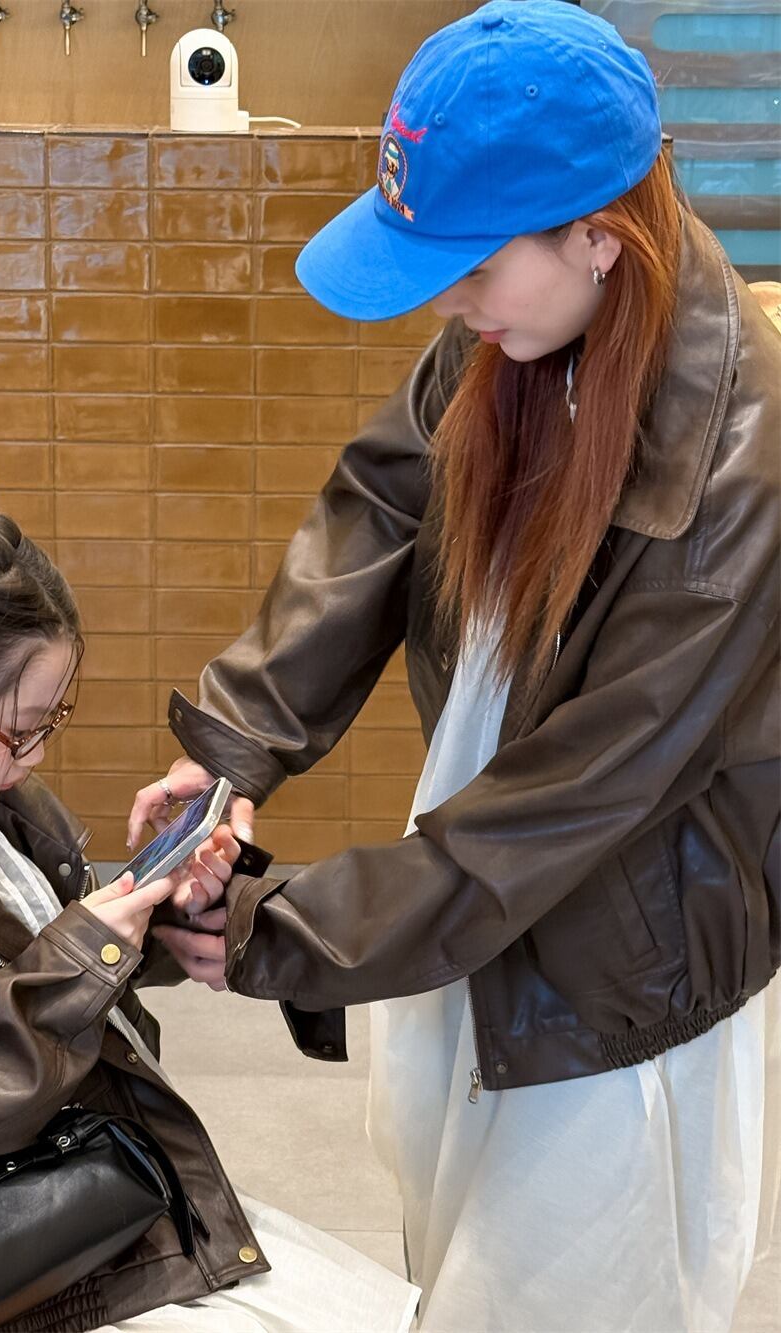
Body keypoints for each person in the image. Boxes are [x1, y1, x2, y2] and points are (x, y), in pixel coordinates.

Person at [129, 3, 781, 1331]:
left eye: (474, 265)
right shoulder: (526, 326)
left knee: (562, 1292)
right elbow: (381, 504)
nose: (448, 301)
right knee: (451, 1246)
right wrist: (237, 743)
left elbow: (571, 805)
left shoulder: (735, 478)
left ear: (600, 236)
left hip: (621, 968)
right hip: (478, 882)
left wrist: (278, 930)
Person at [0, 462, 419, 1332]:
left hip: (94, 1173)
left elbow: (54, 950)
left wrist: (163, 903)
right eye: (22, 728)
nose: (38, 753)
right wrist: (85, 953)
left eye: (52, 719)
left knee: (374, 1309)